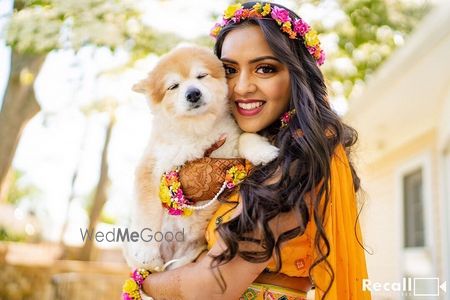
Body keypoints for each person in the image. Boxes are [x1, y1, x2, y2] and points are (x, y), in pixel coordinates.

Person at [122, 2, 371, 299]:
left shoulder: (294, 162)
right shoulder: (239, 153)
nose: (241, 87)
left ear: (296, 76)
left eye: (264, 69)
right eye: (228, 69)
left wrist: (143, 282)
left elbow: (211, 287)